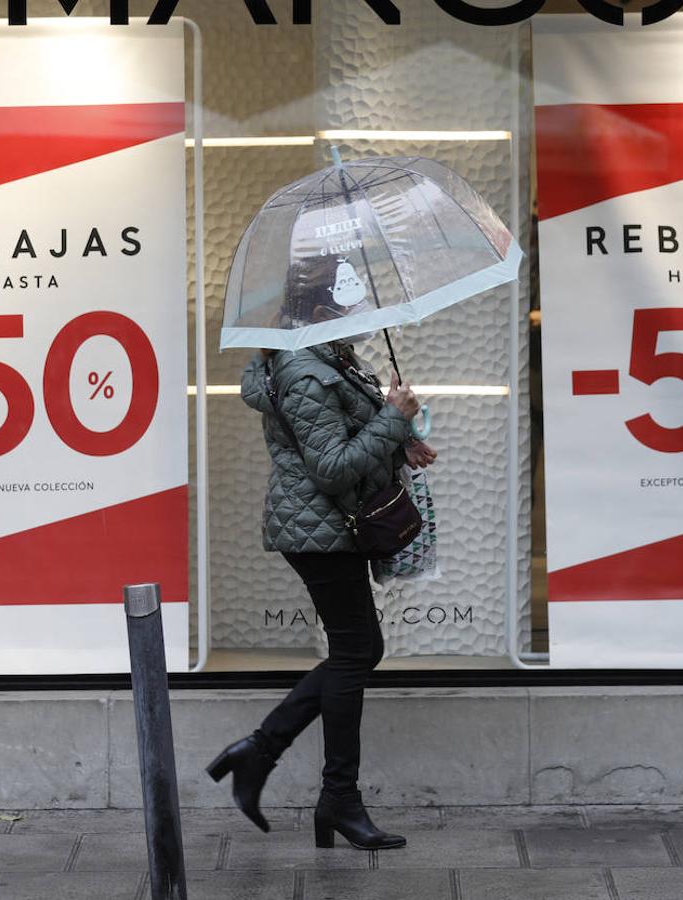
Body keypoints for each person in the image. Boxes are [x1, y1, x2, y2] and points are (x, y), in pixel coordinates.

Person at [208, 253, 437, 851]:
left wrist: (399, 442)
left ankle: (267, 757)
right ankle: (329, 794)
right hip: (319, 530)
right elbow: (332, 468)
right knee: (358, 650)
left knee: (361, 648)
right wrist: (392, 419)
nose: (361, 314)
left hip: (331, 527)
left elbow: (346, 439)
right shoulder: (305, 371)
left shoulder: (331, 356)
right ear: (316, 310)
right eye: (349, 303)